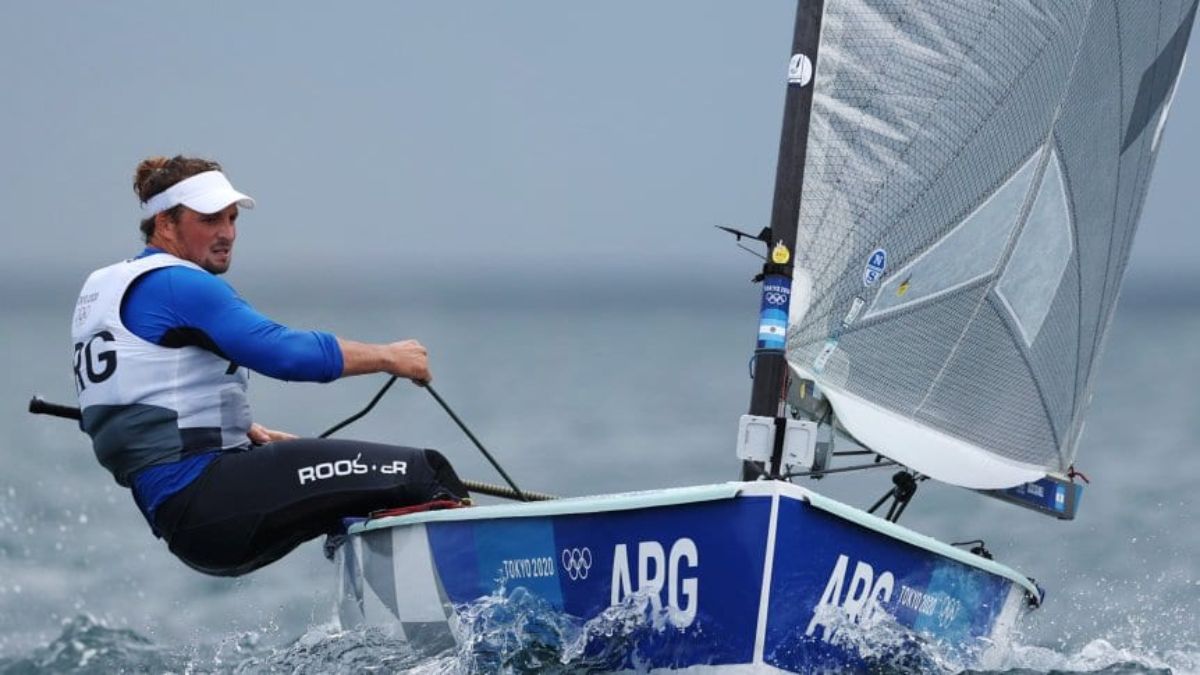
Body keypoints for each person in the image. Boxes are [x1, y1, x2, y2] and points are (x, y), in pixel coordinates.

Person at [71, 155, 469, 577]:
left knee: (370, 494)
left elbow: (127, 407)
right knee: (426, 473)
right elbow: (284, 352)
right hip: (208, 498)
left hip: (183, 517)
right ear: (166, 224)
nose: (227, 233)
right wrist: (389, 356)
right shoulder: (177, 283)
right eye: (209, 219)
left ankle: (401, 609)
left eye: (231, 218)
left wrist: (231, 429)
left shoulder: (104, 289)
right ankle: (476, 604)